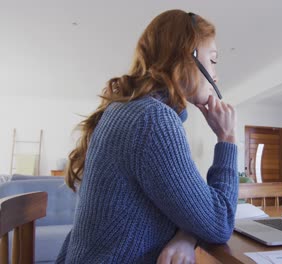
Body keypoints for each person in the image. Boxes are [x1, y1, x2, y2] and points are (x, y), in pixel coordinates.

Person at [56, 9, 238, 263]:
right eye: (213, 60)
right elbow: (220, 223)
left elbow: (186, 206)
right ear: (188, 56)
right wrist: (226, 138)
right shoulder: (153, 121)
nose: (216, 74)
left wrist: (186, 235)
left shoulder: (132, 110)